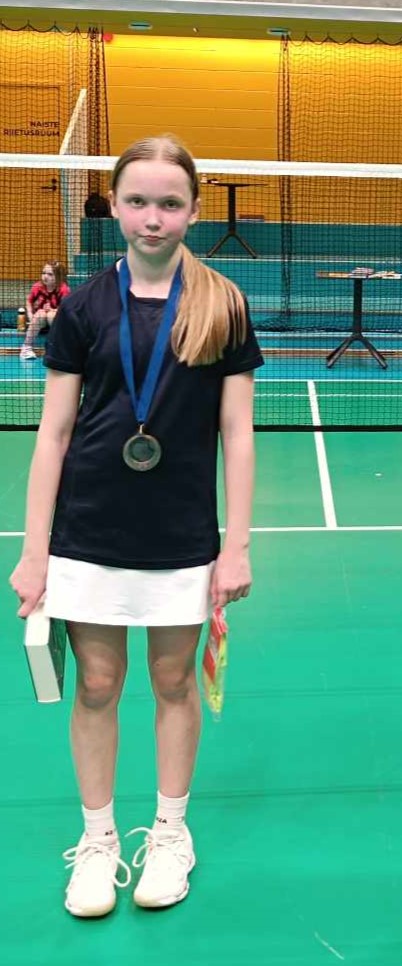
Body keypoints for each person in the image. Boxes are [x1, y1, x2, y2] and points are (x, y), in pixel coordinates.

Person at [9, 135, 263, 916]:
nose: (154, 217)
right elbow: (54, 434)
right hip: (90, 528)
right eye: (139, 202)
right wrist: (34, 551)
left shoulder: (221, 303)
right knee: (96, 684)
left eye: (170, 203)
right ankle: (98, 841)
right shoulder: (83, 307)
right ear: (115, 207)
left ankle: (171, 832)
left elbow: (238, 434)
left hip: (182, 534)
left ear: (193, 210)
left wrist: (236, 546)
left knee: (174, 681)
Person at [20, 259, 70, 361]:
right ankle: (26, 348)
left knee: (51, 314)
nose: (45, 276)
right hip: (38, 321)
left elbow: (66, 308)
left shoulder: (64, 289)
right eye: (43, 273)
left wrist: (54, 310)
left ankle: (58, 348)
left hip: (55, 321)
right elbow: (29, 301)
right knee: (41, 313)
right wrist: (30, 314)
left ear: (58, 276)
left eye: (50, 274)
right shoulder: (37, 287)